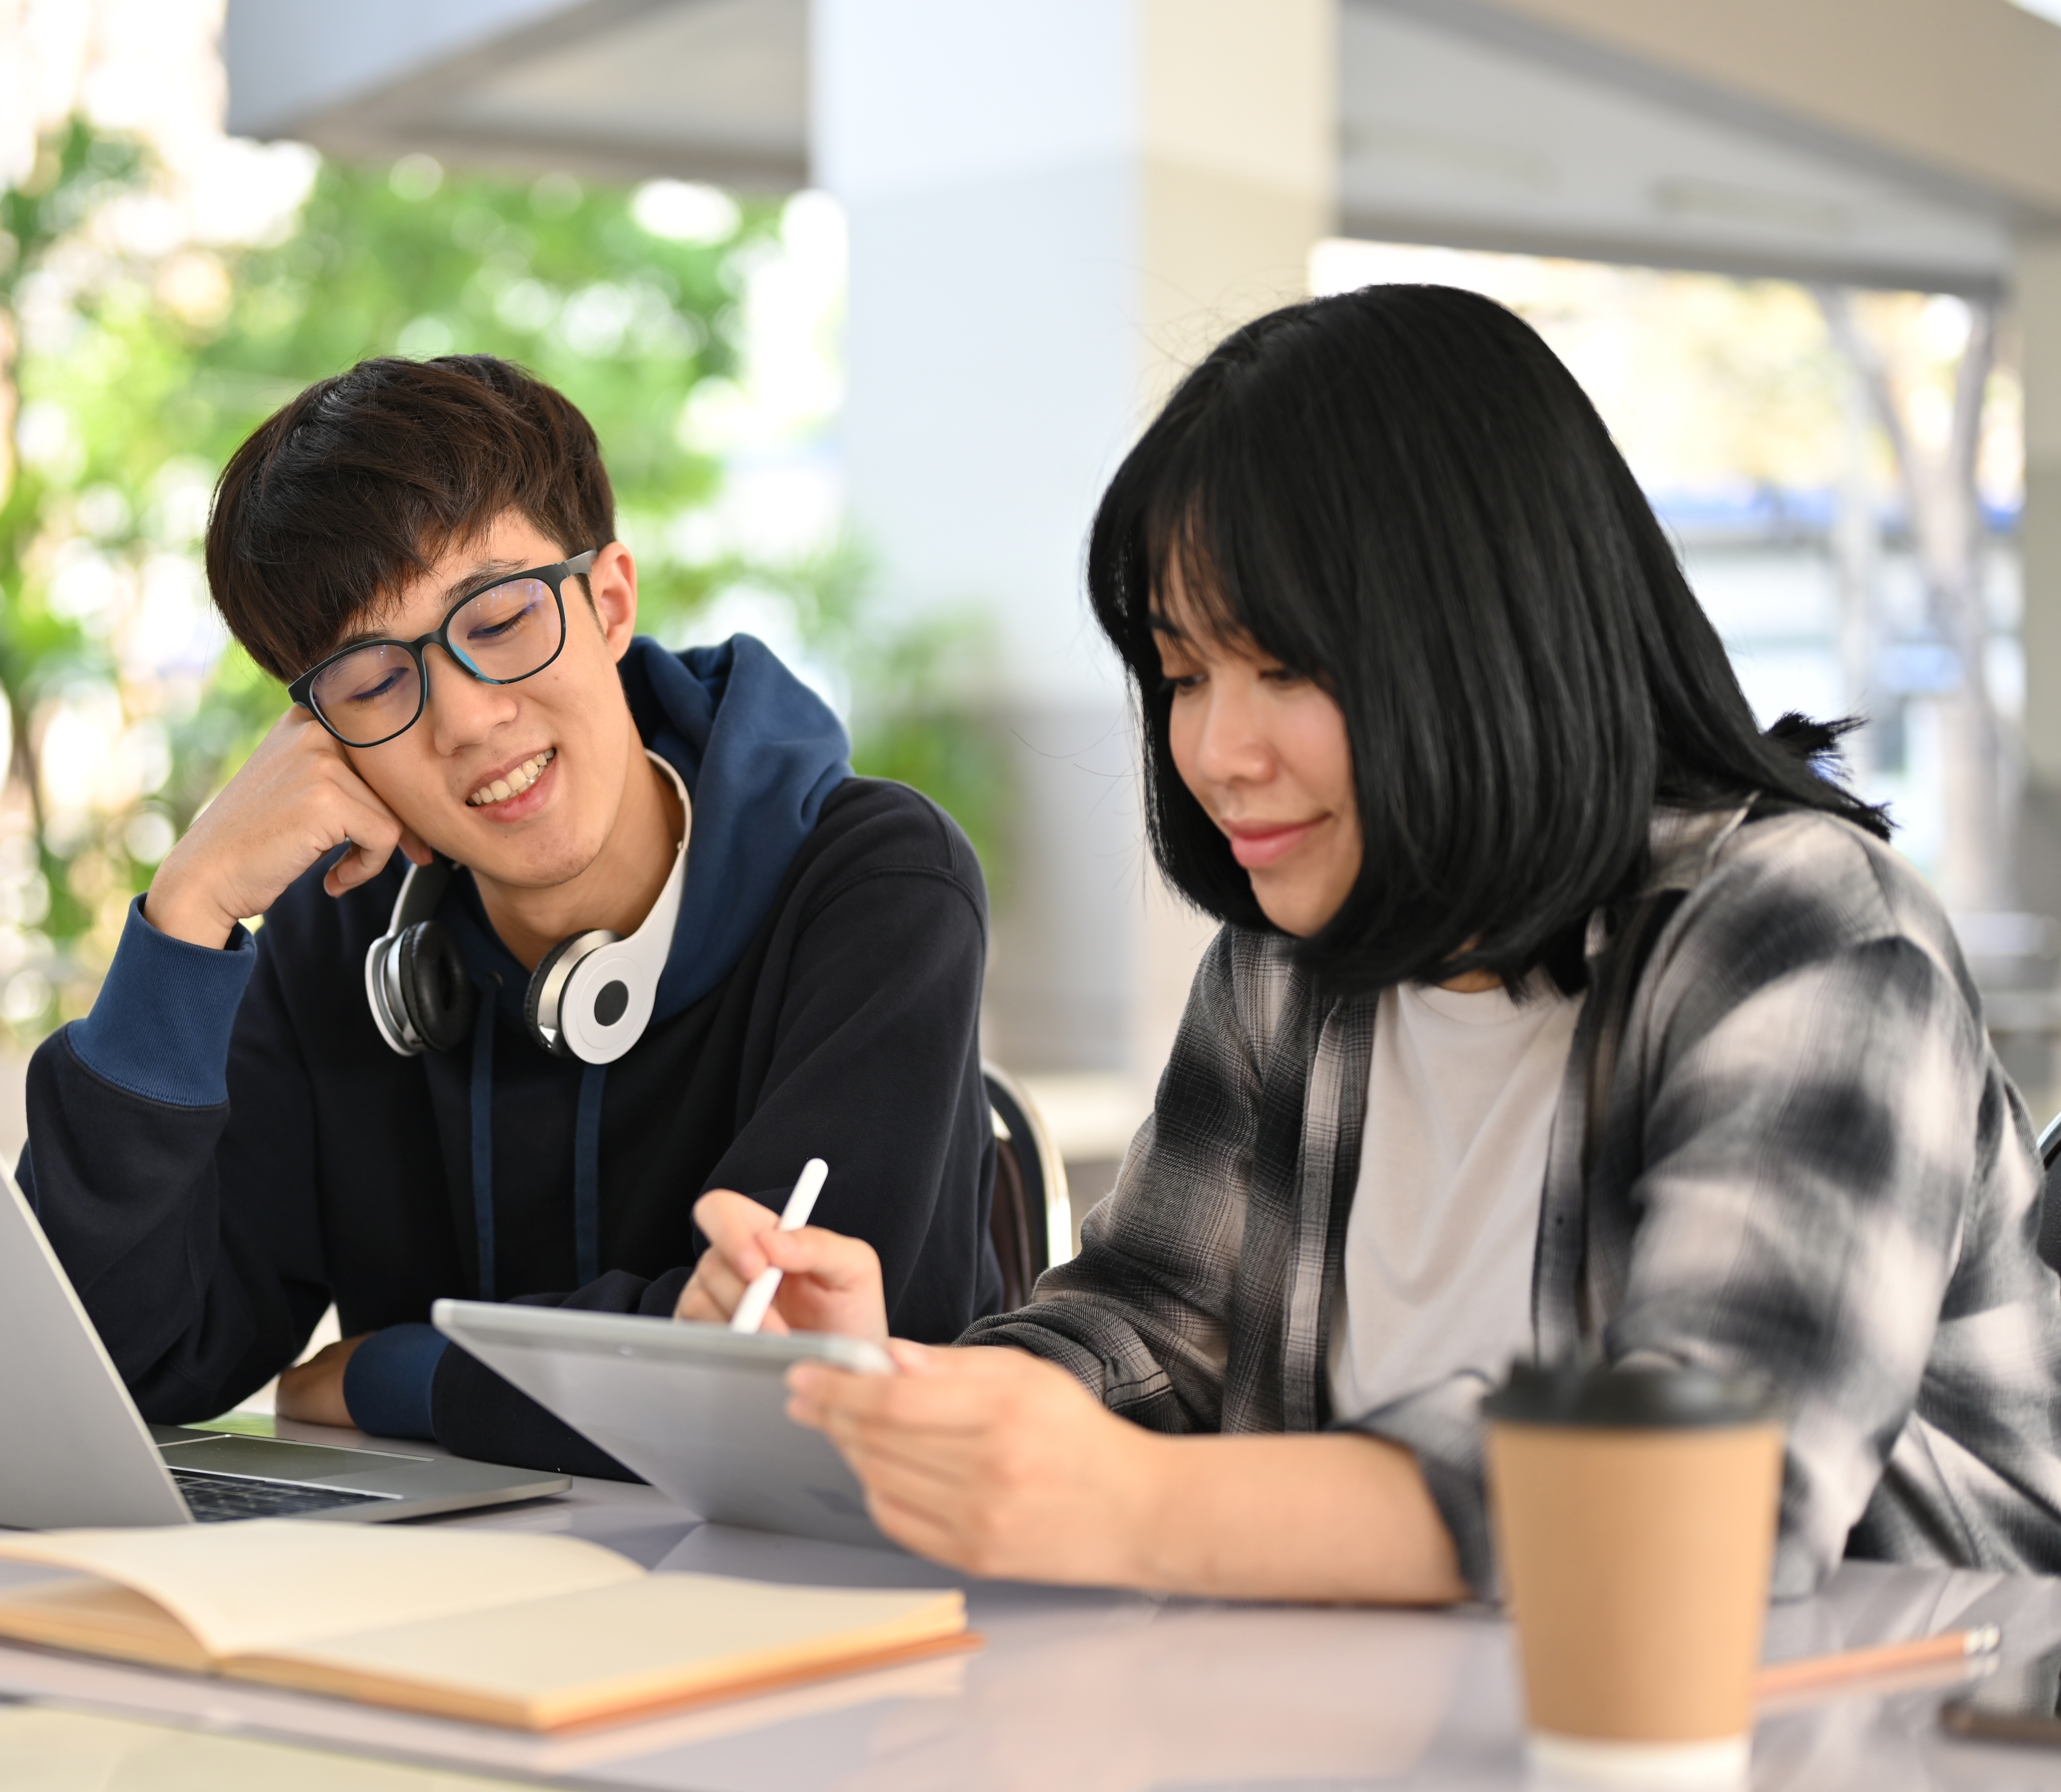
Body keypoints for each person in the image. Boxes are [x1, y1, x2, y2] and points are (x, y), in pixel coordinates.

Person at [685, 283, 2061, 1600]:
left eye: (1285, 666)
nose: (1217, 751)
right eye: (1181, 675)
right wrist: (901, 1400)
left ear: (1488, 635)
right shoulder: (1293, 962)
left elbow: (1714, 1489)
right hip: (1403, 1768)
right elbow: (1152, 1330)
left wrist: (1141, 1511)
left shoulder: (1802, 936)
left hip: (1893, 1772)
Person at [17, 353, 1002, 1477]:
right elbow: (117, 1363)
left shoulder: (875, 886)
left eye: (498, 618)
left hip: (842, 1598)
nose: (470, 719)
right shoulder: (342, 929)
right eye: (376, 682)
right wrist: (188, 915)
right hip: (443, 1604)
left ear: (611, 601)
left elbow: (774, 1359)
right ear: (321, 732)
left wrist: (400, 1371)